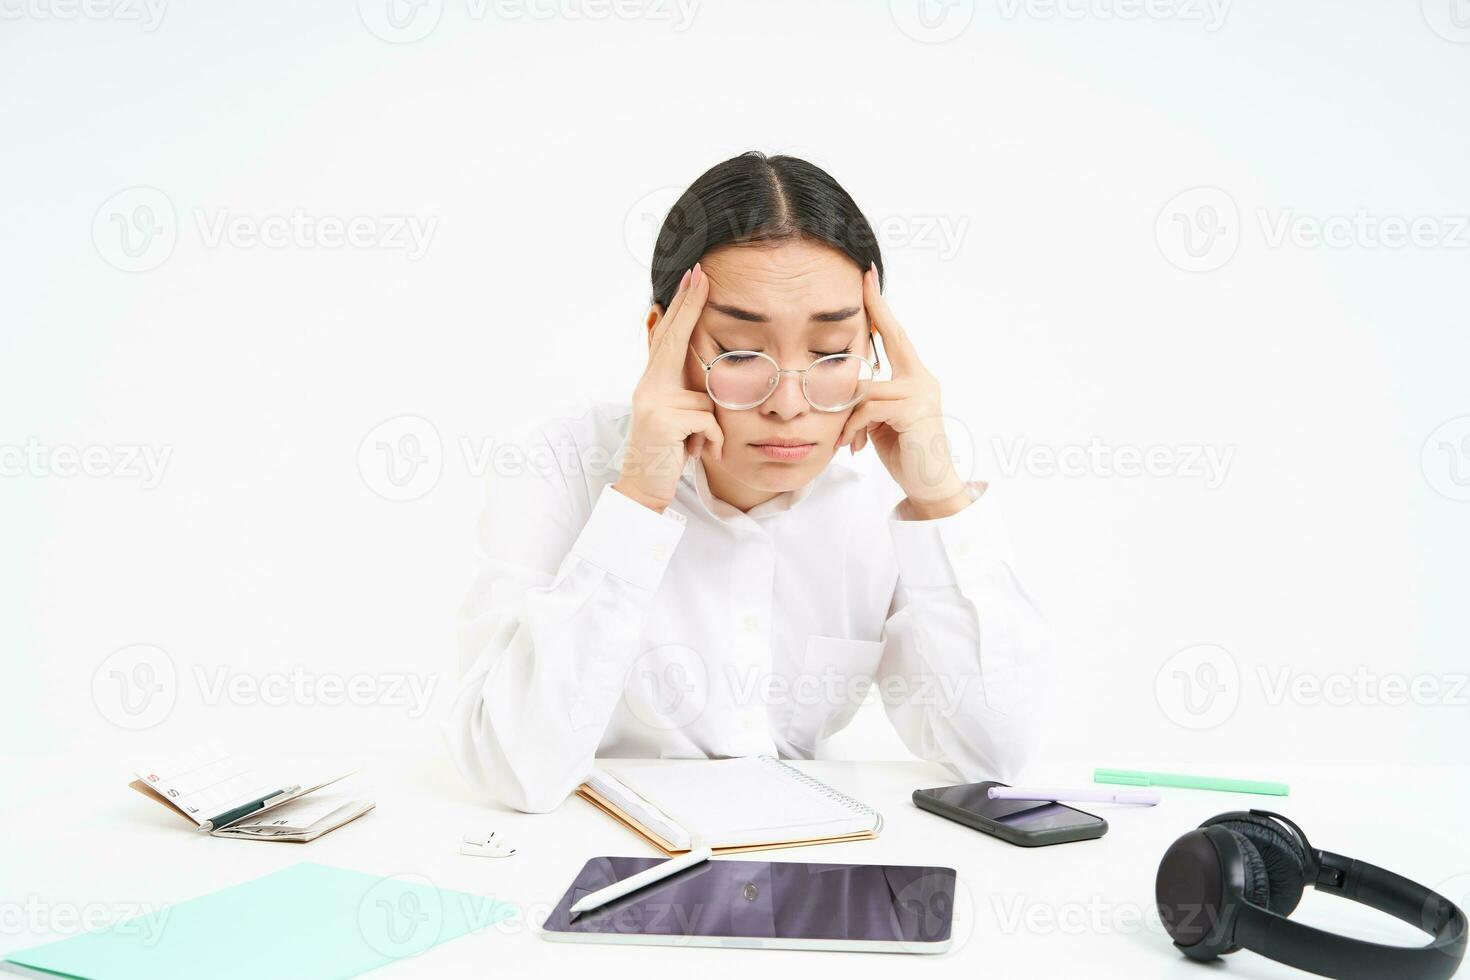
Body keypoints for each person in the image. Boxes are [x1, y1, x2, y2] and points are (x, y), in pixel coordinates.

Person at [446, 151, 1050, 813]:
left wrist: (941, 503)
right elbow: (512, 770)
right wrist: (639, 499)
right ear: (663, 340)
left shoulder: (886, 485)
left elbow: (993, 755)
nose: (787, 403)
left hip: (815, 858)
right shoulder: (557, 464)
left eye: (829, 354)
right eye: (739, 351)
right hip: (600, 854)